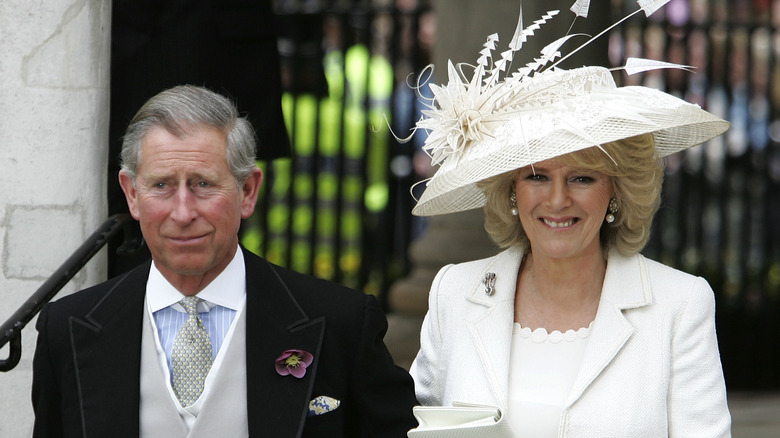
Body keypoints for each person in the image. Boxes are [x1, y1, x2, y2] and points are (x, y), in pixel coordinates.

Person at [407, 4, 732, 437]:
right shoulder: (455, 293)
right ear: (511, 191)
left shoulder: (680, 305)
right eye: (537, 176)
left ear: (617, 189)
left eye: (582, 178)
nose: (557, 200)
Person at [31, 85, 418, 437]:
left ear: (247, 191)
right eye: (162, 185)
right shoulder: (67, 330)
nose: (182, 213)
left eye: (203, 184)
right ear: (132, 194)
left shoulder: (341, 323)